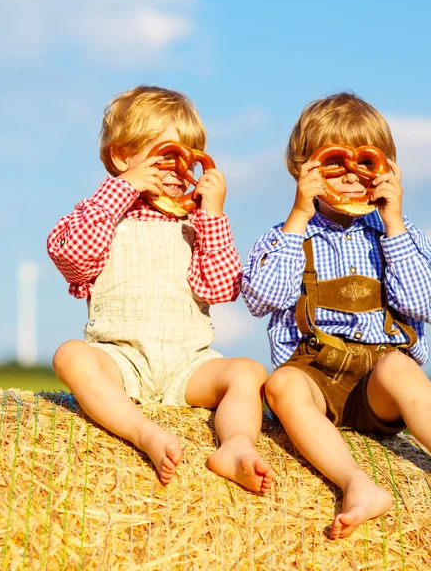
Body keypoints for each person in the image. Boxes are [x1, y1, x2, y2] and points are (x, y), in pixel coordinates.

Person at [241, 92, 431, 553]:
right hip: (314, 376)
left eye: (364, 162)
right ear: (303, 170)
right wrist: (299, 215)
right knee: (280, 384)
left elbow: (427, 306)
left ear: (386, 169)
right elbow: (262, 299)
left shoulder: (398, 232)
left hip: (377, 382)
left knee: (401, 367)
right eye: (333, 163)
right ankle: (357, 483)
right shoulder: (285, 233)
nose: (350, 174)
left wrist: (395, 224)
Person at [48, 86, 272, 492]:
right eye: (165, 155)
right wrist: (121, 190)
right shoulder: (102, 215)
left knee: (248, 372)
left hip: (188, 364)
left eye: (188, 157)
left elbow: (221, 288)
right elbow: (72, 256)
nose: (178, 169)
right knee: (70, 356)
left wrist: (213, 215)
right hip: (120, 358)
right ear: (122, 156)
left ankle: (236, 445)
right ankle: (144, 433)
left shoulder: (196, 223)